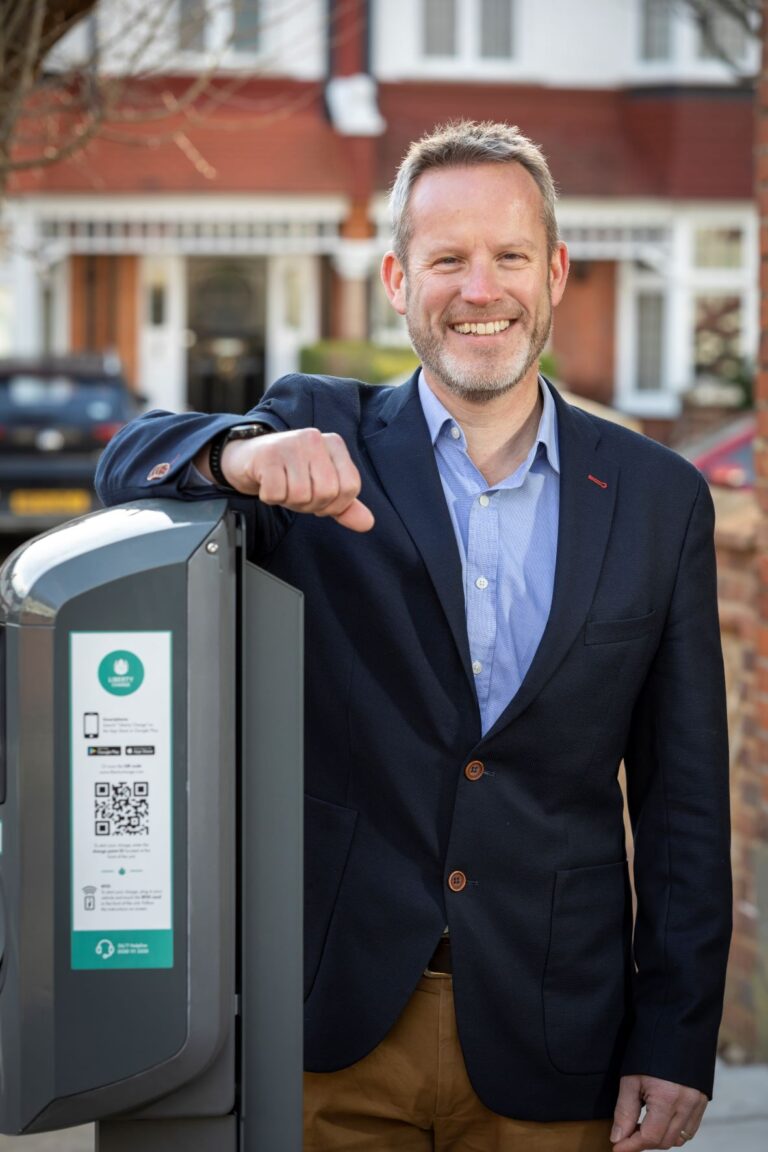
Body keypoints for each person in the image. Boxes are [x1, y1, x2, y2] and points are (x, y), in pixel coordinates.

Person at [96, 120, 731, 1152]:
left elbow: (684, 802)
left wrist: (676, 1031)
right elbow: (128, 461)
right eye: (448, 259)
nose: (481, 289)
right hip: (331, 1027)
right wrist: (238, 457)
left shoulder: (660, 499)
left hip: (557, 1034)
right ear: (397, 279)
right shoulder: (316, 431)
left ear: (557, 270)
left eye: (510, 256)